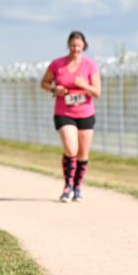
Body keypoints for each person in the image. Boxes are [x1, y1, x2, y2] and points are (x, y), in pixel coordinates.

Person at [40, 31, 101, 202]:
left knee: (82, 153)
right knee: (70, 148)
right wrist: (54, 89)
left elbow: (97, 92)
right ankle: (67, 186)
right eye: (73, 46)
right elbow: (44, 83)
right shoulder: (57, 64)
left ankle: (77, 187)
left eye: (79, 47)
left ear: (84, 47)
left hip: (85, 113)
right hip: (64, 112)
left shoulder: (90, 65)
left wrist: (84, 85)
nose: (76, 49)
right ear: (68, 45)